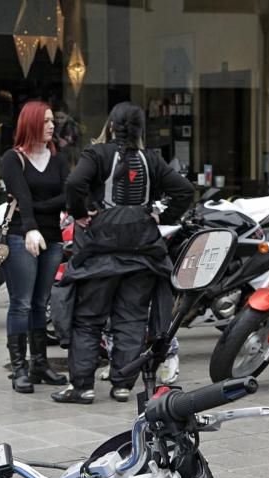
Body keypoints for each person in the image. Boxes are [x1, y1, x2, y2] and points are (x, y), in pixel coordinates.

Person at [51, 102, 193, 404]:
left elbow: (75, 183)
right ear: (140, 130)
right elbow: (184, 191)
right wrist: (161, 216)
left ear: (111, 126)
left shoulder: (97, 154)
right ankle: (122, 385)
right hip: (142, 252)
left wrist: (79, 214)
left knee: (88, 320)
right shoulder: (151, 159)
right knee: (131, 320)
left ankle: (83, 387)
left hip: (99, 253)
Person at [0, 101, 69, 394]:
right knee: (22, 303)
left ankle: (39, 364)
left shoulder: (59, 159)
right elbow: (21, 196)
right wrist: (30, 226)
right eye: (46, 121)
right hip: (20, 236)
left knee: (41, 303)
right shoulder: (13, 159)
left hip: (52, 237)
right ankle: (19, 368)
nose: (52, 126)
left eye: (53, 121)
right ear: (31, 123)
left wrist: (40, 208)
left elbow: (68, 195)